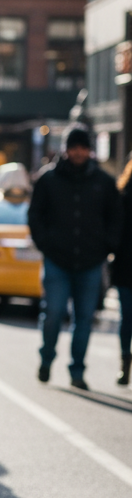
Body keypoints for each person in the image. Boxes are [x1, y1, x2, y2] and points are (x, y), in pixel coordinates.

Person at [28, 124, 121, 390]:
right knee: (53, 313)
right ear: (66, 149)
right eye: (74, 147)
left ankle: (77, 371)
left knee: (84, 319)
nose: (78, 152)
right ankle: (46, 359)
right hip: (57, 260)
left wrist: (106, 247)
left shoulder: (104, 182)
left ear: (89, 150)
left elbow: (116, 218)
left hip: (91, 261)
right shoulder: (48, 179)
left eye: (83, 147)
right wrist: (45, 243)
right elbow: (35, 215)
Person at [111, 152, 132, 386]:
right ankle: (125, 361)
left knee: (127, 318)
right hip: (126, 266)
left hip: (124, 264)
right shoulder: (123, 194)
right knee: (127, 318)